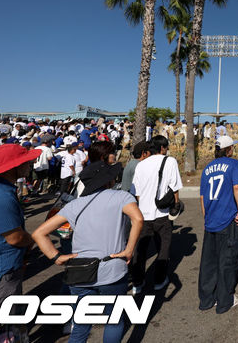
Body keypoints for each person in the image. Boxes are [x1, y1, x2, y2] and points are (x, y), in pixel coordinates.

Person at [32, 159, 144, 343]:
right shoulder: (122, 197)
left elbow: (39, 233)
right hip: (112, 269)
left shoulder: (75, 204)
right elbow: (138, 219)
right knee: (113, 321)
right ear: (108, 180)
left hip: (80, 271)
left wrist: (57, 257)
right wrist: (129, 250)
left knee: (81, 324)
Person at [0, 145, 40, 343]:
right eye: (25, 161)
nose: (30, 164)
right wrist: (34, 238)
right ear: (12, 167)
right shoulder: (0, 196)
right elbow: (14, 238)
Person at [131, 135, 182, 294]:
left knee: (140, 251)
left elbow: (136, 192)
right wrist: (175, 206)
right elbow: (174, 188)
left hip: (143, 214)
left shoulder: (141, 165)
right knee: (163, 249)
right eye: (166, 148)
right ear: (162, 148)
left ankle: (137, 282)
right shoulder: (170, 161)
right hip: (162, 213)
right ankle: (159, 280)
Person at [198, 136, 238, 314]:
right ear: (228, 149)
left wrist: (206, 217)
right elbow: (236, 188)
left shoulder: (208, 168)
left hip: (211, 219)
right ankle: (225, 301)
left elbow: (202, 197)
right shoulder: (233, 164)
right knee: (228, 261)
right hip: (227, 218)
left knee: (209, 262)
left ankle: (207, 299)